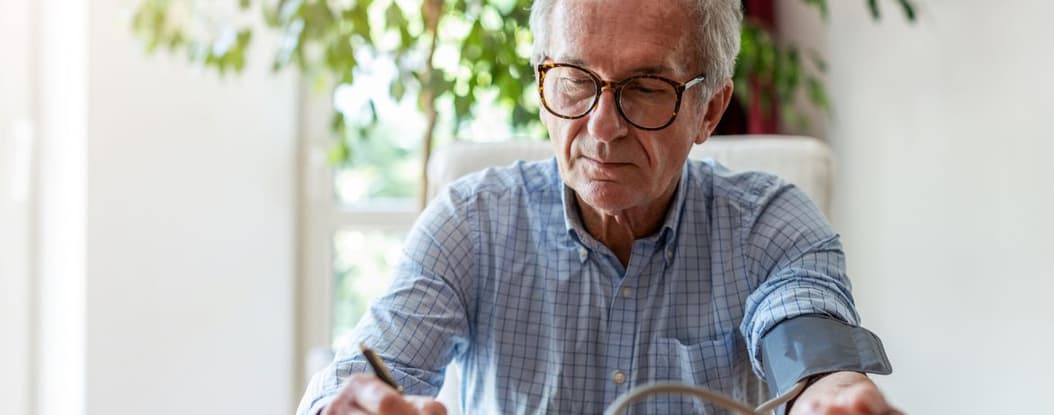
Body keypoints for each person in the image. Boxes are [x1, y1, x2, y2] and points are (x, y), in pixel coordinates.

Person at [298, 0, 901, 414]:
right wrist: (353, 401)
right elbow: (364, 374)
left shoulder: (770, 226)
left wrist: (831, 393)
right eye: (576, 80)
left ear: (710, 112)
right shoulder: (471, 223)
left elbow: (814, 359)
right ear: (541, 81)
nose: (602, 127)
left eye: (645, 88)